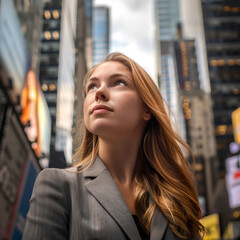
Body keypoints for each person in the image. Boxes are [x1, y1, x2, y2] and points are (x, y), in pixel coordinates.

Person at [23, 52, 204, 240]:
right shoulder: (57, 185)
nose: (98, 93)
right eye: (92, 86)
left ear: (147, 108)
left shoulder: (176, 199)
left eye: (118, 82)